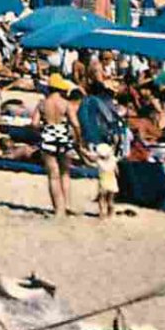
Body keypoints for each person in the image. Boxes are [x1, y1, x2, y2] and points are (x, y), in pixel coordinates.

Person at [34, 74, 84, 217]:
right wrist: (78, 140)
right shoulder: (65, 103)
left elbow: (34, 124)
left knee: (53, 175)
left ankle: (58, 209)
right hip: (63, 136)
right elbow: (75, 124)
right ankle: (67, 204)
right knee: (65, 173)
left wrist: (41, 133)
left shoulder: (42, 103)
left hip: (48, 135)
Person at [92, 142, 118, 222]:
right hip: (112, 181)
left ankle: (102, 214)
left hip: (103, 182)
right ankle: (111, 213)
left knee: (101, 199)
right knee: (110, 200)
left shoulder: (99, 162)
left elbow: (90, 162)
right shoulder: (113, 160)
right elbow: (117, 171)